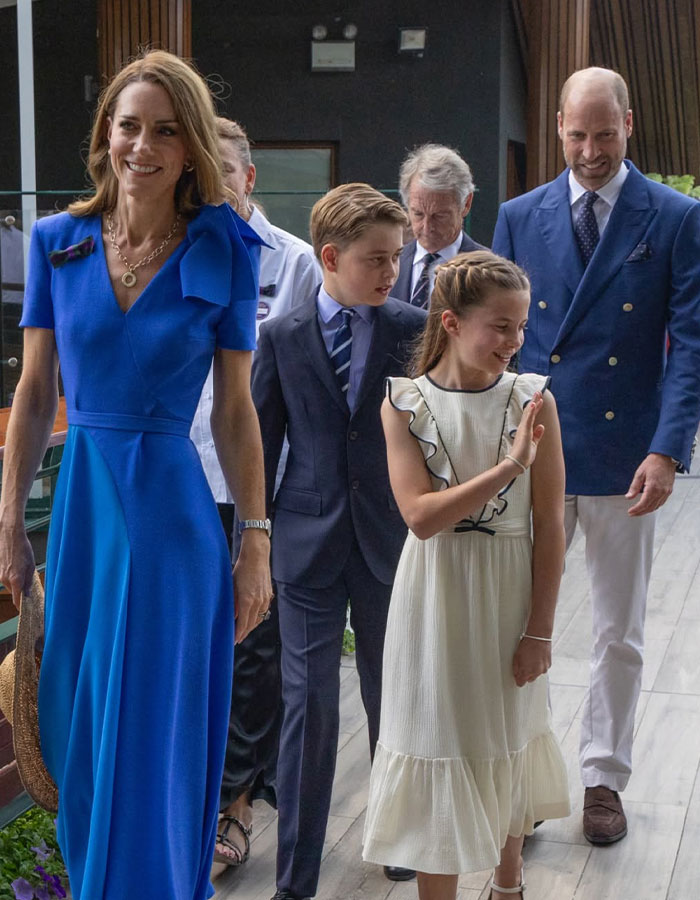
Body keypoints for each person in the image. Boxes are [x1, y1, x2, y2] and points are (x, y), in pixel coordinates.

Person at [0, 50, 272, 900]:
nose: (142, 145)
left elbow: (234, 411)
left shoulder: (225, 248)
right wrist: (10, 524)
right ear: (104, 136)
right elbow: (36, 390)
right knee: (80, 730)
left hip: (170, 523)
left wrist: (255, 542)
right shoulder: (58, 241)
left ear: (190, 147)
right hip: (81, 517)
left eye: (163, 129)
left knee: (153, 734)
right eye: (128, 126)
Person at [492, 66, 700, 844]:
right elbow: (501, 341)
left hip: (624, 452)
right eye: (576, 135)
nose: (589, 151)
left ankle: (603, 777)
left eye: (603, 135)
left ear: (630, 123)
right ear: (556, 127)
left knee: (620, 627)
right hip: (535, 443)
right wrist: (497, 445)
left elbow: (692, 345)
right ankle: (529, 775)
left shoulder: (675, 217)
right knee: (522, 620)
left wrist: (669, 450)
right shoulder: (518, 216)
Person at [362, 250, 571, 900]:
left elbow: (549, 529)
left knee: (505, 734)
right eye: (500, 326)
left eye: (521, 326)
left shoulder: (535, 400)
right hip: (435, 599)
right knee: (438, 742)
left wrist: (539, 631)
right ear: (451, 324)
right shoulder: (404, 404)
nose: (514, 340)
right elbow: (422, 519)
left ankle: (509, 885)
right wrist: (507, 467)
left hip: (508, 596)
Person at [252, 183, 427, 900]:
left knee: (395, 698)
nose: (392, 272)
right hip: (305, 546)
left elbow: (434, 439)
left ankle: (397, 837)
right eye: (376, 259)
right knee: (309, 706)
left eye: (398, 257)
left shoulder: (415, 327)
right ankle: (296, 875)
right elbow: (259, 447)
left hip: (391, 542)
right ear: (330, 257)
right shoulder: (281, 335)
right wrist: (250, 545)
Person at [189, 116, 320, 867]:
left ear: (250, 177)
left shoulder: (296, 264)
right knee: (190, 648)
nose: (214, 183)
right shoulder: (177, 254)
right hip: (180, 485)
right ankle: (190, 798)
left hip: (257, 492)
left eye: (225, 169)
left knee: (251, 649)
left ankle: (234, 805)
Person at [393, 143, 486, 308]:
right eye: (418, 214)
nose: (427, 227)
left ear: (466, 204)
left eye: (440, 216)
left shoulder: (489, 271)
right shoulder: (390, 266)